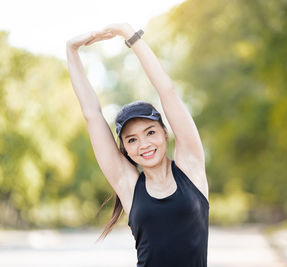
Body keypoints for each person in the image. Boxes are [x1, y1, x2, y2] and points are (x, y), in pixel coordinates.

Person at [66, 23, 209, 266]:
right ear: (125, 149)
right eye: (132, 139)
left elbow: (168, 91)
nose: (143, 144)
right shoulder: (129, 186)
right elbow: (92, 114)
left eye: (150, 132)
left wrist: (127, 33)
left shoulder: (191, 168)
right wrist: (71, 50)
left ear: (165, 133)